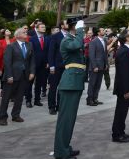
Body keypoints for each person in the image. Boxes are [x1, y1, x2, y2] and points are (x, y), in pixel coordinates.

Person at [53, 19, 85, 159]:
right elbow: (77, 44)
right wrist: (80, 30)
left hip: (75, 82)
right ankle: (61, 152)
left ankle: (65, 147)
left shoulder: (72, 38)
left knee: (70, 119)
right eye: (79, 28)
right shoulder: (67, 40)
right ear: (74, 28)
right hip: (70, 83)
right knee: (66, 119)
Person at [0, 27, 35, 125]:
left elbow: (32, 60)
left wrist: (32, 72)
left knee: (19, 97)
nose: (26, 33)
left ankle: (16, 115)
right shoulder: (11, 46)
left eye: (26, 32)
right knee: (6, 97)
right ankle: (2, 117)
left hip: (24, 75)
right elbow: (7, 62)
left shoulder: (29, 45)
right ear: (18, 35)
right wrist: (9, 75)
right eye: (24, 32)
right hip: (12, 75)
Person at [111, 30, 129, 143]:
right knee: (121, 111)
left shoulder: (126, 50)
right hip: (124, 89)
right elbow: (123, 73)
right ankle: (117, 135)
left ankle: (121, 132)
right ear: (127, 38)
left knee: (123, 111)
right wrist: (126, 90)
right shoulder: (123, 51)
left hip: (127, 87)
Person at [48, 20, 69, 115]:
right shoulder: (55, 36)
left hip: (67, 66)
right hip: (56, 66)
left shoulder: (70, 36)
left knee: (62, 87)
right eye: (66, 23)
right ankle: (51, 106)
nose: (68, 24)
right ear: (61, 26)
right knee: (53, 87)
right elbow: (51, 52)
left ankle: (60, 105)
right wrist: (51, 65)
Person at [27, 21, 49, 107]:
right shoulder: (32, 39)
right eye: (42, 27)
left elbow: (48, 52)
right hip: (33, 64)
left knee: (39, 83)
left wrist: (48, 62)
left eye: (44, 27)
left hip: (43, 65)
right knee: (30, 82)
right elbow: (30, 52)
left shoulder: (47, 39)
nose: (44, 28)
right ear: (37, 28)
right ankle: (28, 100)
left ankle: (37, 100)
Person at [86, 27, 108, 106]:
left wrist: (106, 64)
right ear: (98, 33)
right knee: (92, 83)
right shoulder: (94, 41)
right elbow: (91, 55)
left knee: (98, 83)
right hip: (94, 67)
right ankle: (89, 99)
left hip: (102, 66)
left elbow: (105, 54)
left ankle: (95, 98)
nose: (104, 31)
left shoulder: (105, 41)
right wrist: (94, 66)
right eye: (102, 30)